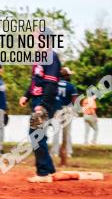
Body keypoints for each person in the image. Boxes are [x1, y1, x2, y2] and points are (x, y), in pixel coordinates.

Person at [18, 29, 61, 182]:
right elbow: (35, 81)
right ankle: (48, 170)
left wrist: (42, 105)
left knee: (35, 134)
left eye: (38, 38)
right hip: (37, 100)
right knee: (38, 135)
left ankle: (43, 173)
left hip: (45, 101)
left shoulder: (51, 57)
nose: (35, 41)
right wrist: (26, 95)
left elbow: (50, 84)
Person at [51, 67, 79, 158]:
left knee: (56, 132)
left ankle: (54, 152)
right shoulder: (71, 86)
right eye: (69, 75)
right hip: (67, 110)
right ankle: (68, 152)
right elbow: (75, 100)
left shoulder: (54, 85)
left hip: (57, 110)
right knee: (67, 132)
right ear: (67, 76)